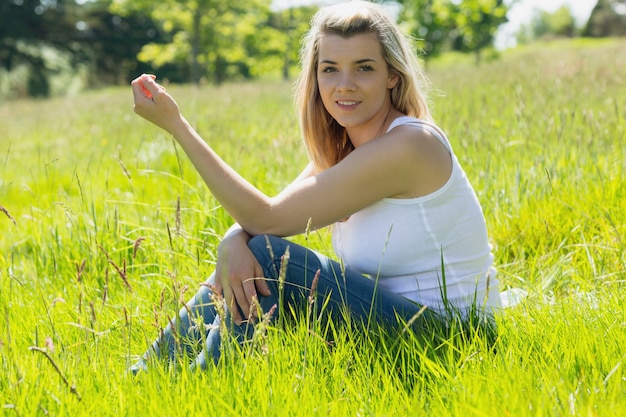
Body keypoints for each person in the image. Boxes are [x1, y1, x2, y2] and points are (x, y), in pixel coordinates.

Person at [128, 0, 502, 373]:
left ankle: (193, 389)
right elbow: (268, 217)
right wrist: (233, 239)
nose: (345, 85)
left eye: (364, 68)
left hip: (458, 341)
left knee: (269, 259)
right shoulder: (348, 149)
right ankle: (148, 382)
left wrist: (179, 126)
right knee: (254, 254)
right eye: (330, 69)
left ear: (392, 75)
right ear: (316, 76)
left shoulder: (407, 146)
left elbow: (265, 220)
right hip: (408, 327)